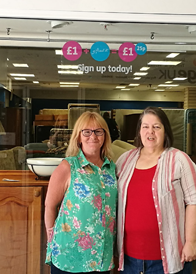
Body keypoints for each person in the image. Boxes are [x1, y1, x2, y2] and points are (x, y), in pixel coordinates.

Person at [116, 107, 196, 274]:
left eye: (157, 127)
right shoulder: (124, 160)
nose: (150, 132)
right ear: (139, 131)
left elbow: (193, 202)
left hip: (168, 259)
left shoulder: (180, 160)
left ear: (165, 131)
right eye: (145, 126)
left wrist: (191, 242)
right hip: (129, 259)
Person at [45, 111, 117, 274]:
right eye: (86, 131)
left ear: (105, 136)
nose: (93, 136)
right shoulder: (68, 166)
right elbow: (49, 205)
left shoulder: (111, 168)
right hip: (69, 254)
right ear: (78, 136)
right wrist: (51, 238)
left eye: (98, 131)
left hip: (101, 255)